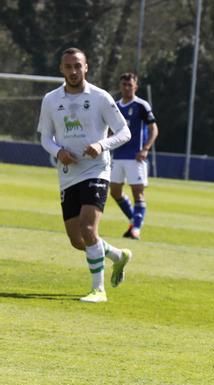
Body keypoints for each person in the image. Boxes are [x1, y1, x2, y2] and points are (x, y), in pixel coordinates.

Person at [37, 47, 133, 303]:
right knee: (77, 240)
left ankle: (98, 290)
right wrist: (58, 152)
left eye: (78, 66)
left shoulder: (100, 97)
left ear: (86, 67)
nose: (73, 71)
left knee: (88, 228)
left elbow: (125, 132)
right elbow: (45, 137)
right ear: (61, 69)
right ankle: (116, 255)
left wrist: (102, 145)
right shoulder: (50, 99)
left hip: (97, 170)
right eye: (68, 66)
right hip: (68, 174)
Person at [110, 72, 158, 240]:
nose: (127, 87)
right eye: (124, 84)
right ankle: (133, 219)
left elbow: (154, 129)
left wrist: (145, 149)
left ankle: (136, 228)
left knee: (138, 193)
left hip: (135, 157)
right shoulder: (114, 106)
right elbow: (110, 129)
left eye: (130, 85)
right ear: (120, 86)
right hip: (118, 156)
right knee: (115, 192)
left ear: (135, 87)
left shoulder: (141, 105)